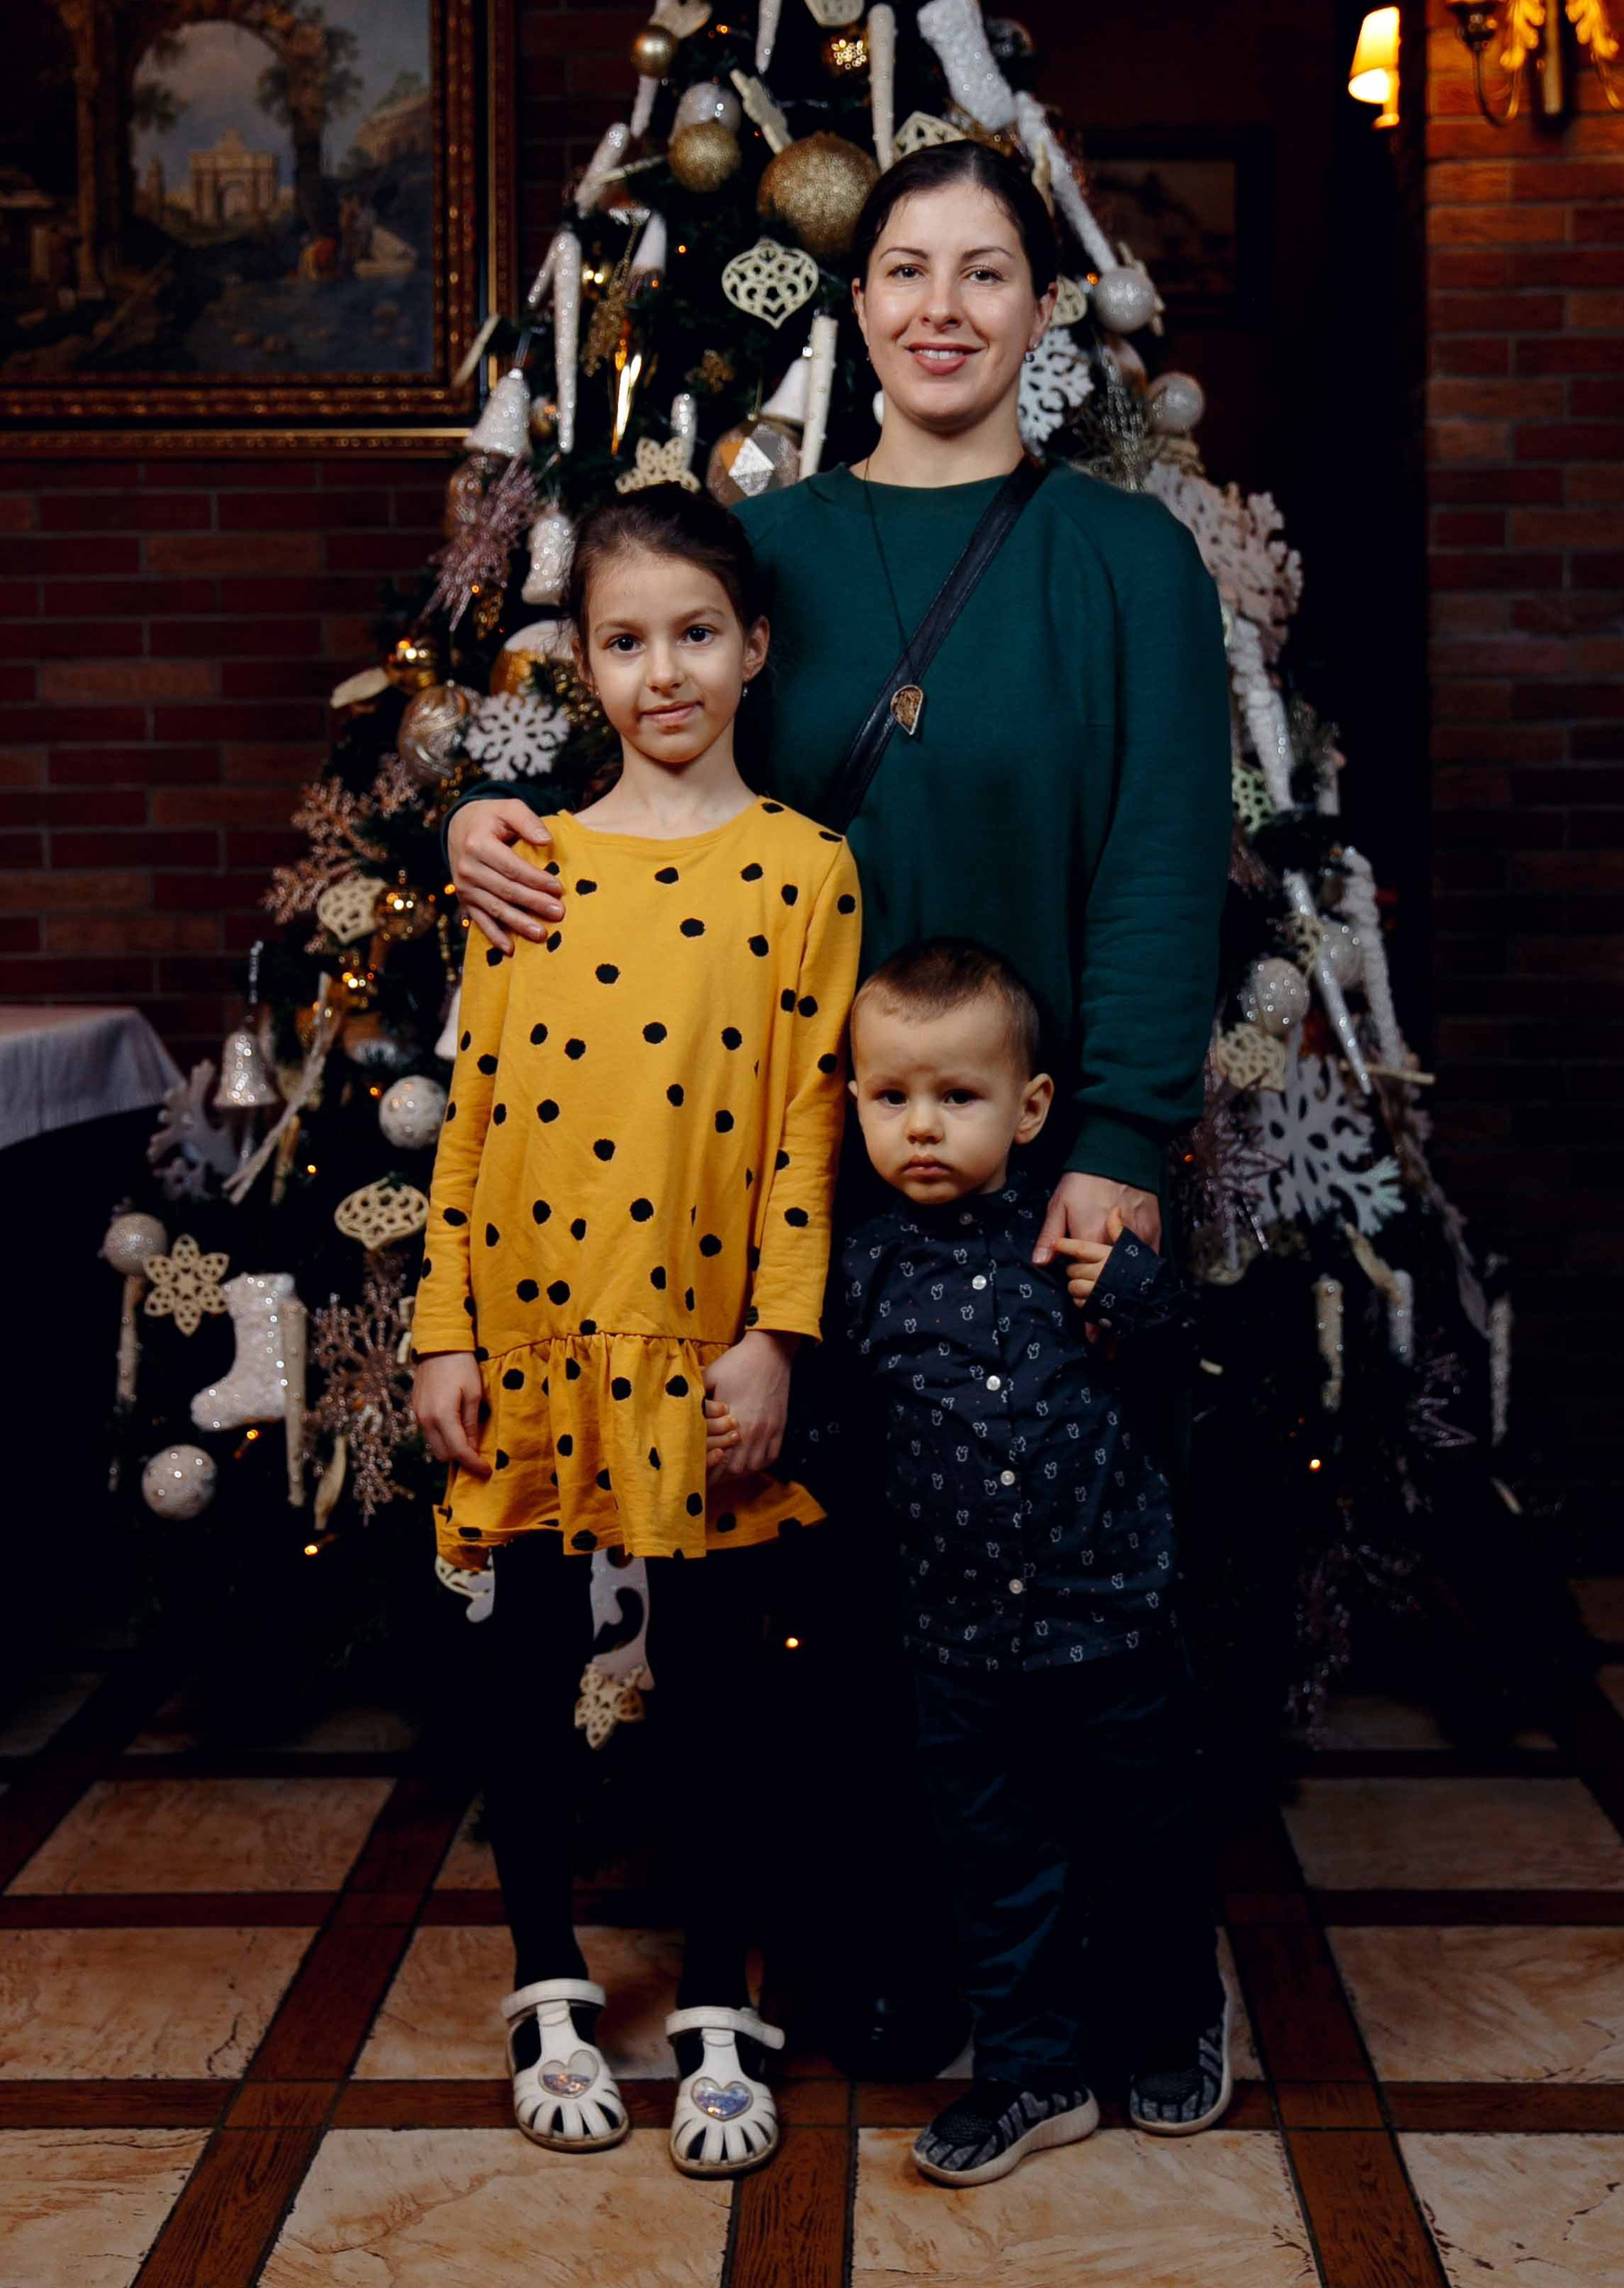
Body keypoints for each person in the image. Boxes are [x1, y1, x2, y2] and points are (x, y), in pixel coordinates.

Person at [445, 139, 1232, 2059]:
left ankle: (1127, 1979)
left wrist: (1119, 1138)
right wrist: (483, 824)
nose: (942, 308)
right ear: (855, 299)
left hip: (1035, 1168)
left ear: (1045, 311)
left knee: (1068, 1603)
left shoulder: (1126, 558)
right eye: (905, 269)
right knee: (839, 1589)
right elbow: (650, 770)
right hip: (792, 1171)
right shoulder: (771, 550)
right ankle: (893, 1957)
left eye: (985, 271)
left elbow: (1162, 859)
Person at [412, 484, 861, 2173]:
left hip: (705, 1348)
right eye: (623, 641)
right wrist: (444, 1330)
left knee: (720, 1686)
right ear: (585, 665)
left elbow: (810, 1123)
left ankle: (719, 1999)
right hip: (533, 1334)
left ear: (754, 648)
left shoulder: (805, 871)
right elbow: (474, 1108)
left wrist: (777, 1339)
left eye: (694, 634)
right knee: (528, 1669)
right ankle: (547, 1981)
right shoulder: (525, 861)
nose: (661, 672)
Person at [840, 936, 1226, 2184]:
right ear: (855, 1102)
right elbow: (841, 1435)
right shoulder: (862, 1270)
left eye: (958, 1097)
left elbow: (1179, 1362)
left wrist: (1136, 1292)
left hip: (1112, 1618)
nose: (922, 1127)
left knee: (1145, 1840)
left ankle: (1173, 2023)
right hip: (958, 1642)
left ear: (1030, 1107)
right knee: (997, 1865)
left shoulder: (1074, 1238)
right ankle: (1031, 2072)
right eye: (892, 1097)